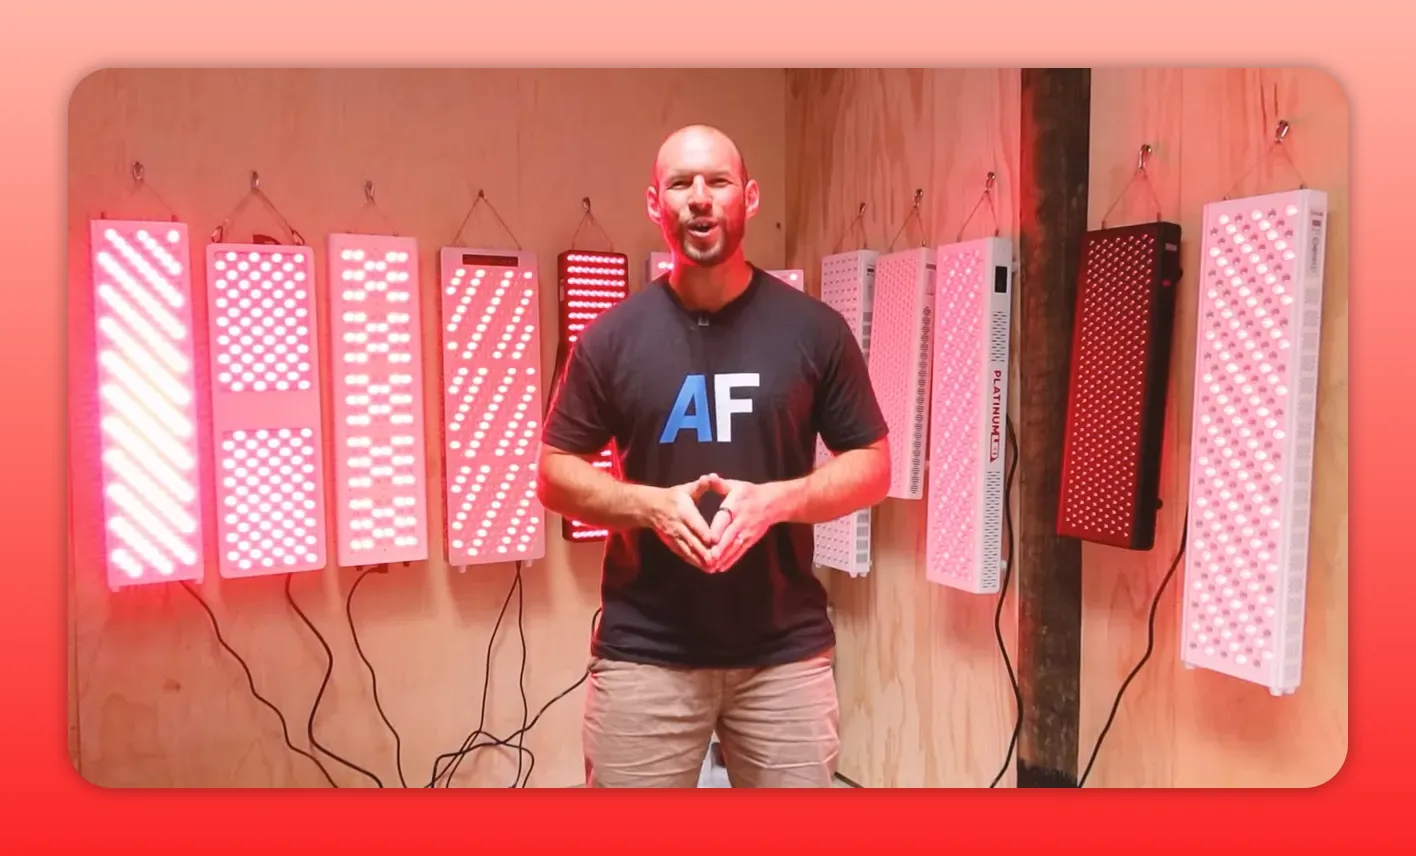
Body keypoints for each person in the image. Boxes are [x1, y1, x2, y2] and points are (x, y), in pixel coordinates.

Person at [536, 123, 891, 788]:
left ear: (749, 198)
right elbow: (554, 475)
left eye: (718, 181)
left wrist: (776, 501)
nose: (700, 198)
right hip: (645, 654)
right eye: (680, 184)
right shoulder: (612, 339)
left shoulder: (813, 330)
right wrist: (650, 508)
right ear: (655, 205)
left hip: (784, 655)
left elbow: (872, 463)